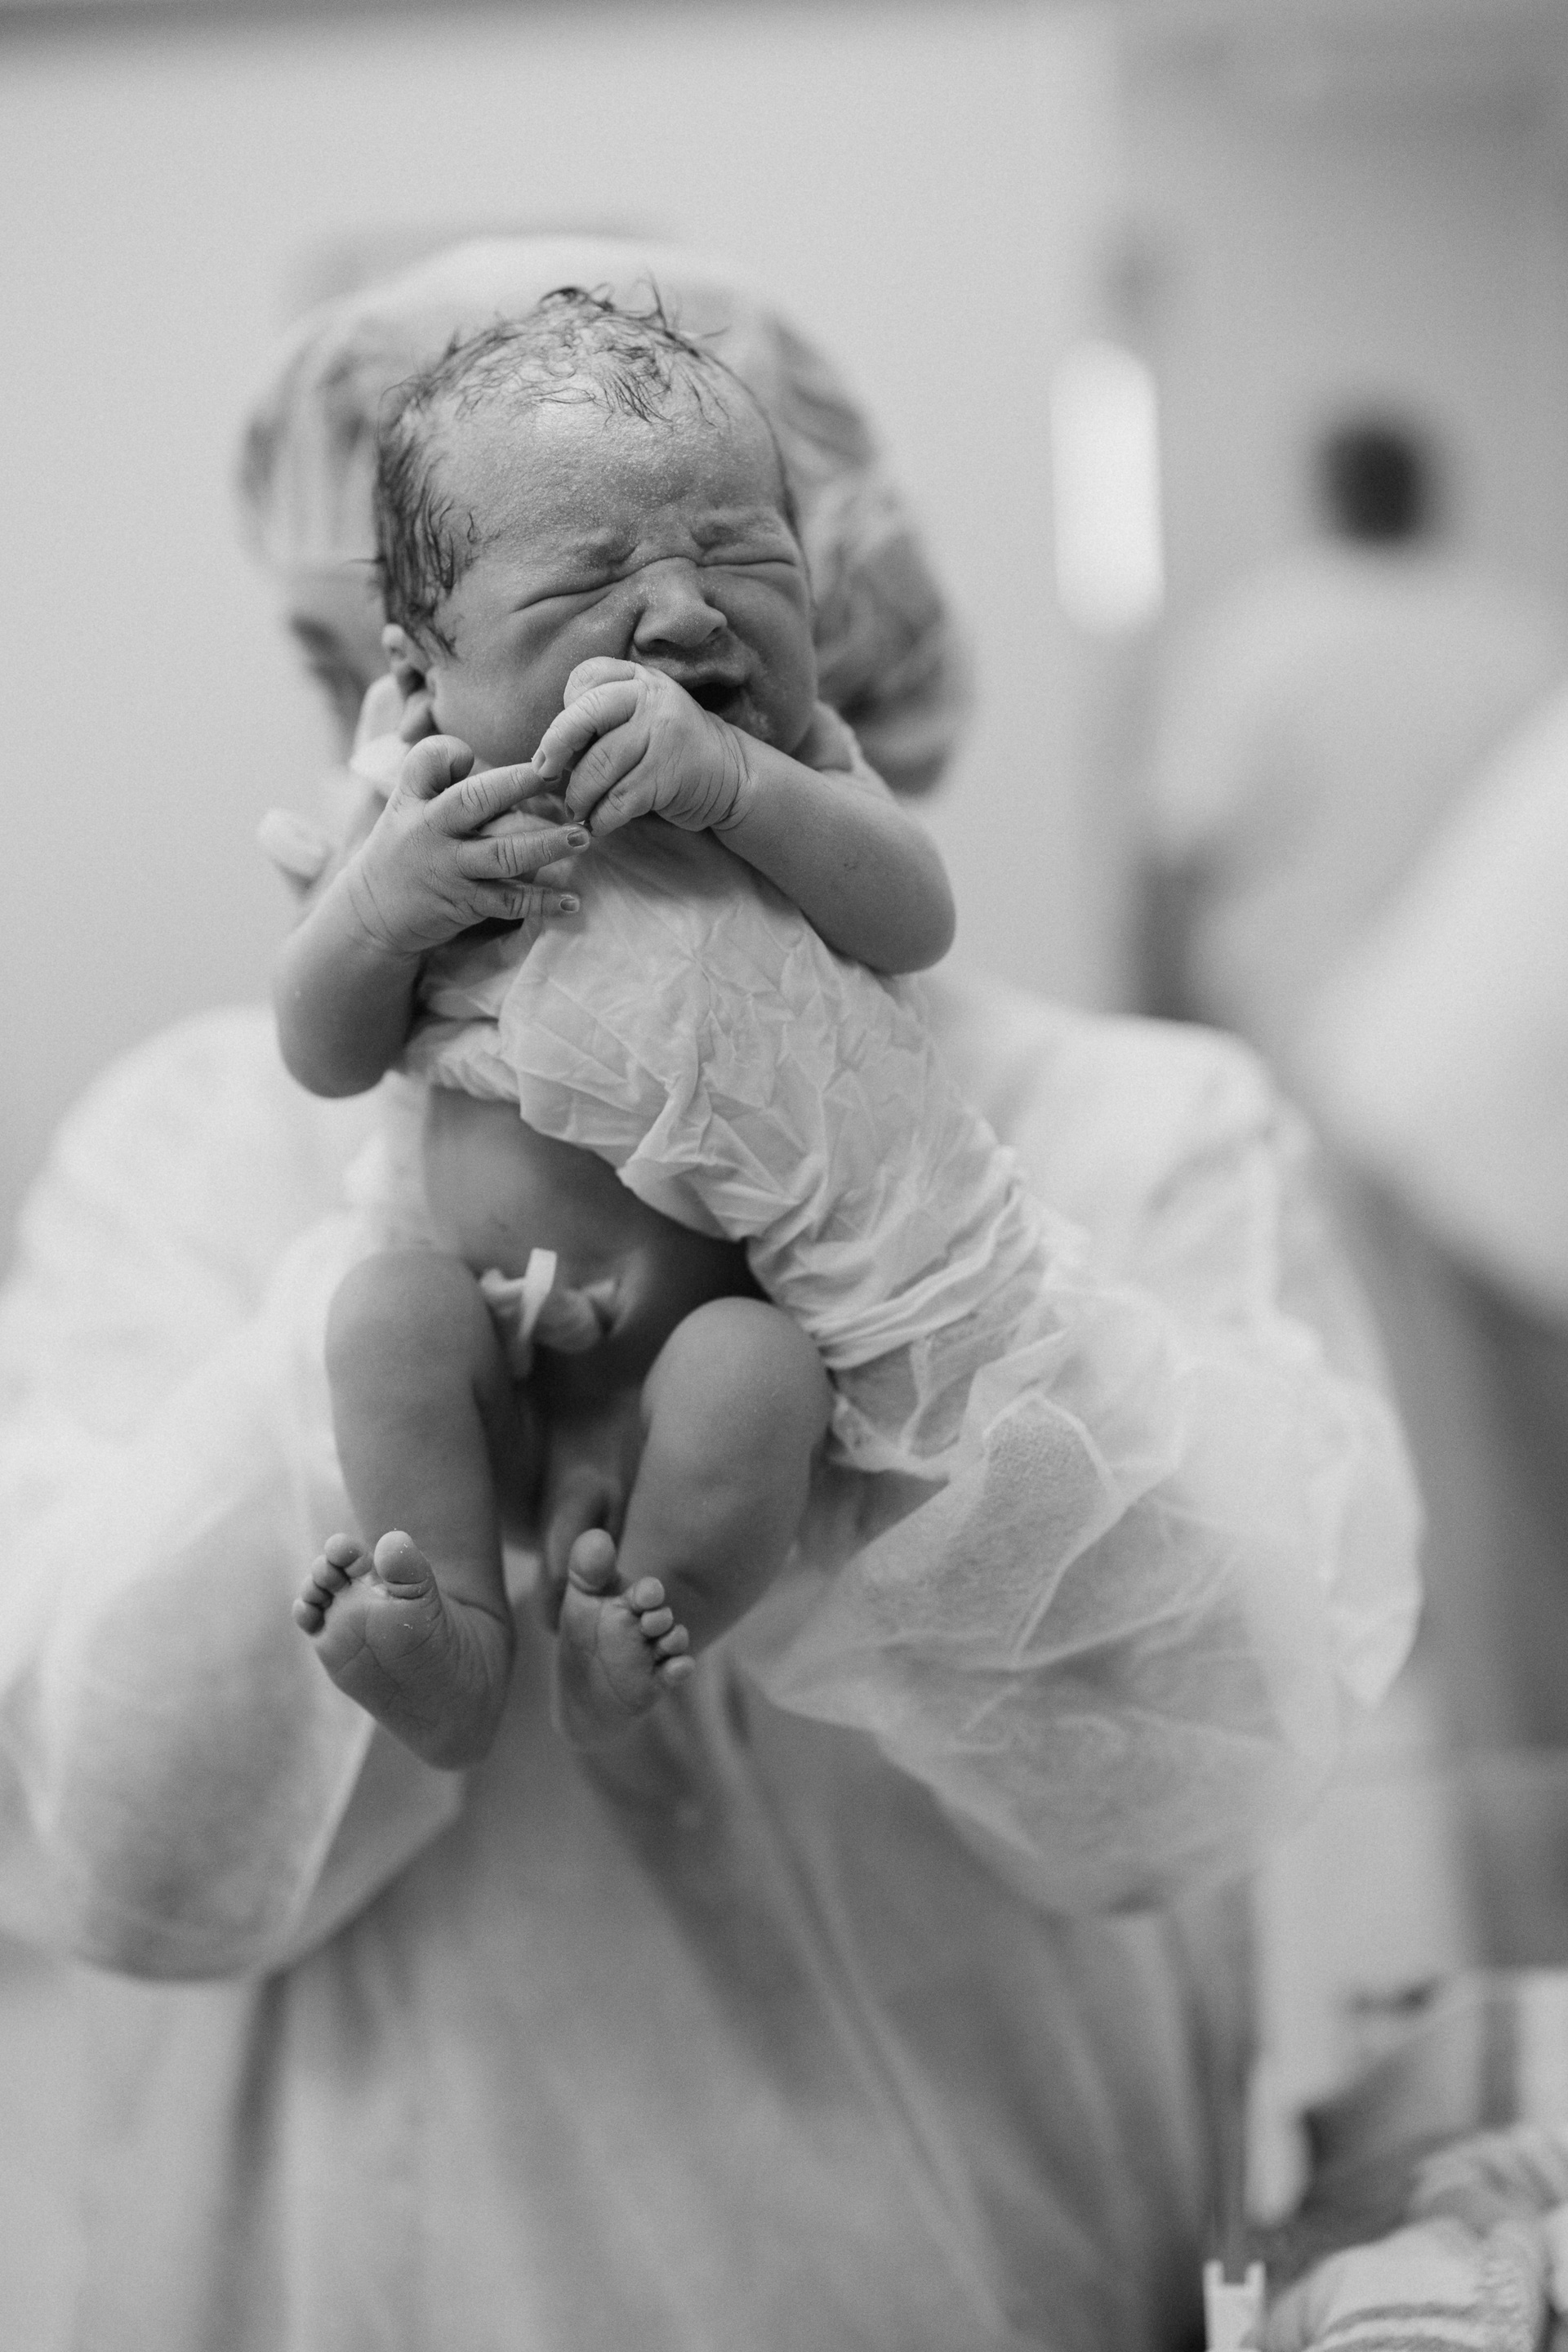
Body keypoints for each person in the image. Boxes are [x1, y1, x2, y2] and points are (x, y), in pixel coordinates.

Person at [0, 237, 1419, 2351]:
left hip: (968, 2262)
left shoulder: (1139, 1128)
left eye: (719, 565)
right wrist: (406, 1185)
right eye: (365, 656)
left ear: (828, 601)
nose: (641, 641)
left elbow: (1200, 1779)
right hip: (385, 2270)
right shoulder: (189, 1148)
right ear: (401, 668)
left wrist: (904, 1224)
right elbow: (112, 1848)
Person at [1144, 413, 1566, 1098]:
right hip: (1479, 1035)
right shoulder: (1520, 637)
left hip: (1287, 1021)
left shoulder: (1259, 635)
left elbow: (1183, 853)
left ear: (1329, 493)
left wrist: (1160, 1027)